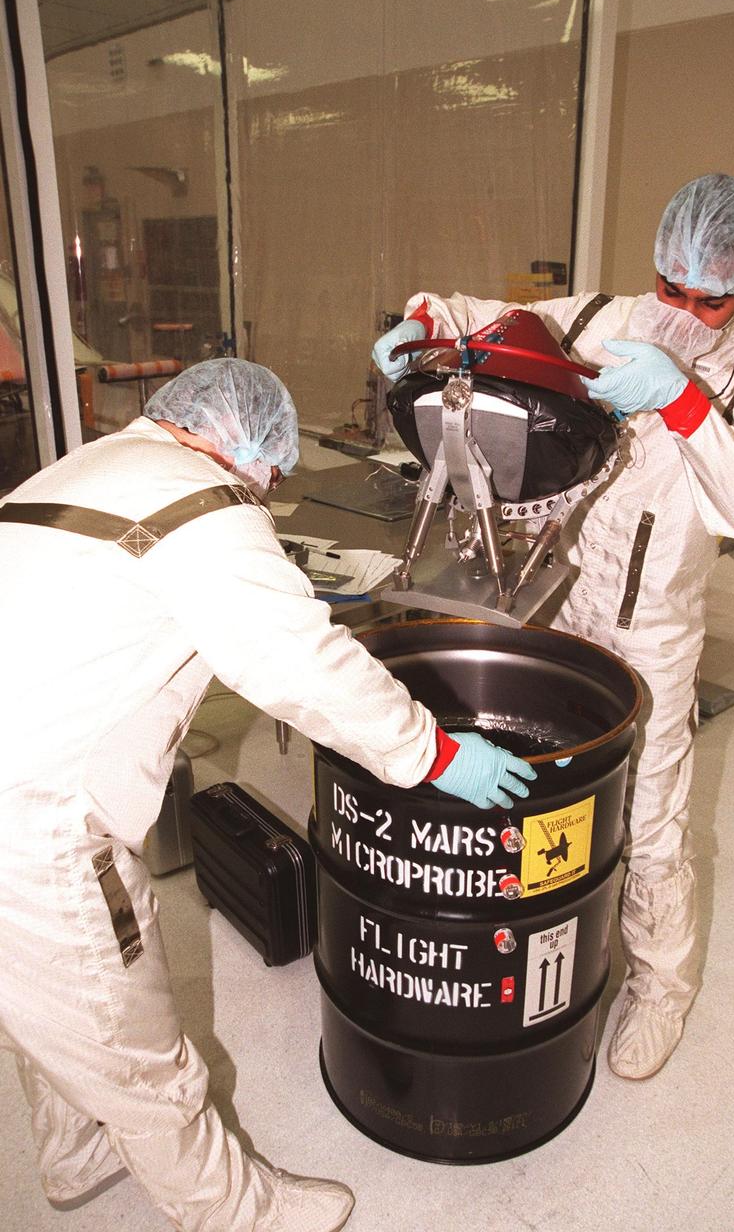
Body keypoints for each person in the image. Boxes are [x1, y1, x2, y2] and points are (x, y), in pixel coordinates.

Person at [0, 357, 536, 1231]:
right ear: (245, 445)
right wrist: (435, 756)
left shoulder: (89, 466)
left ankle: (77, 1153)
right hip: (26, 826)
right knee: (125, 1033)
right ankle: (237, 1216)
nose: (272, 483)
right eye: (274, 469)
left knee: (46, 1009)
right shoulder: (205, 510)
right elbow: (301, 665)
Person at [373, 173, 734, 1080]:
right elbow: (472, 314)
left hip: (653, 628)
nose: (684, 312)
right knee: (546, 794)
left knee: (652, 817)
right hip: (559, 599)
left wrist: (684, 403)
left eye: (710, 299)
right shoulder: (600, 316)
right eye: (672, 287)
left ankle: (660, 985)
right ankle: (551, 950)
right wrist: (419, 321)